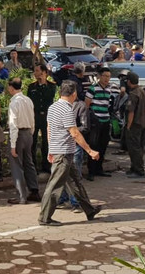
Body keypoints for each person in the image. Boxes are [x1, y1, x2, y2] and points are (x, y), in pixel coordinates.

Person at [38, 81, 102, 226]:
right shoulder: (67, 110)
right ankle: (45, 217)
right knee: (55, 186)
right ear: (74, 94)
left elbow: (49, 129)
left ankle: (89, 210)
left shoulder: (53, 107)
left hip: (61, 151)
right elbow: (74, 133)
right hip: (63, 153)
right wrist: (89, 150)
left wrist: (50, 150)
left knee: (75, 183)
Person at [5, 78, 39, 204]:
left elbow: (13, 124)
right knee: (29, 162)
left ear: (11, 88)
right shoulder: (27, 100)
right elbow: (32, 118)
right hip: (28, 133)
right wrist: (31, 132)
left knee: (17, 165)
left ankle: (21, 196)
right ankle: (34, 190)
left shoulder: (14, 103)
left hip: (18, 134)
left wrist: (13, 144)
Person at [84, 67, 116, 178]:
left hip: (105, 120)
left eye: (109, 76)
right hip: (95, 121)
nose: (107, 79)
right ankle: (91, 171)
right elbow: (86, 105)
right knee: (93, 145)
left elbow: (109, 104)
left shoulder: (109, 89)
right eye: (105, 76)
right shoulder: (93, 89)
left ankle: (99, 169)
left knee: (103, 146)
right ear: (99, 77)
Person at [27, 63, 56, 173]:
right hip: (35, 116)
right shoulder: (32, 87)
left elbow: (49, 98)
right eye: (35, 71)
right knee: (33, 141)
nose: (35, 73)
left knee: (46, 141)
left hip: (47, 117)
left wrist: (43, 83)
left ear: (44, 72)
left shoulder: (51, 86)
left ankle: (46, 165)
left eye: (37, 71)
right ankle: (33, 166)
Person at [121, 72, 145, 178]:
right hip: (144, 123)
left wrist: (128, 126)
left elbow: (131, 111)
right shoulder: (143, 91)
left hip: (135, 124)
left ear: (129, 82)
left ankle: (139, 171)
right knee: (139, 147)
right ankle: (134, 168)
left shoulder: (133, 94)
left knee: (134, 148)